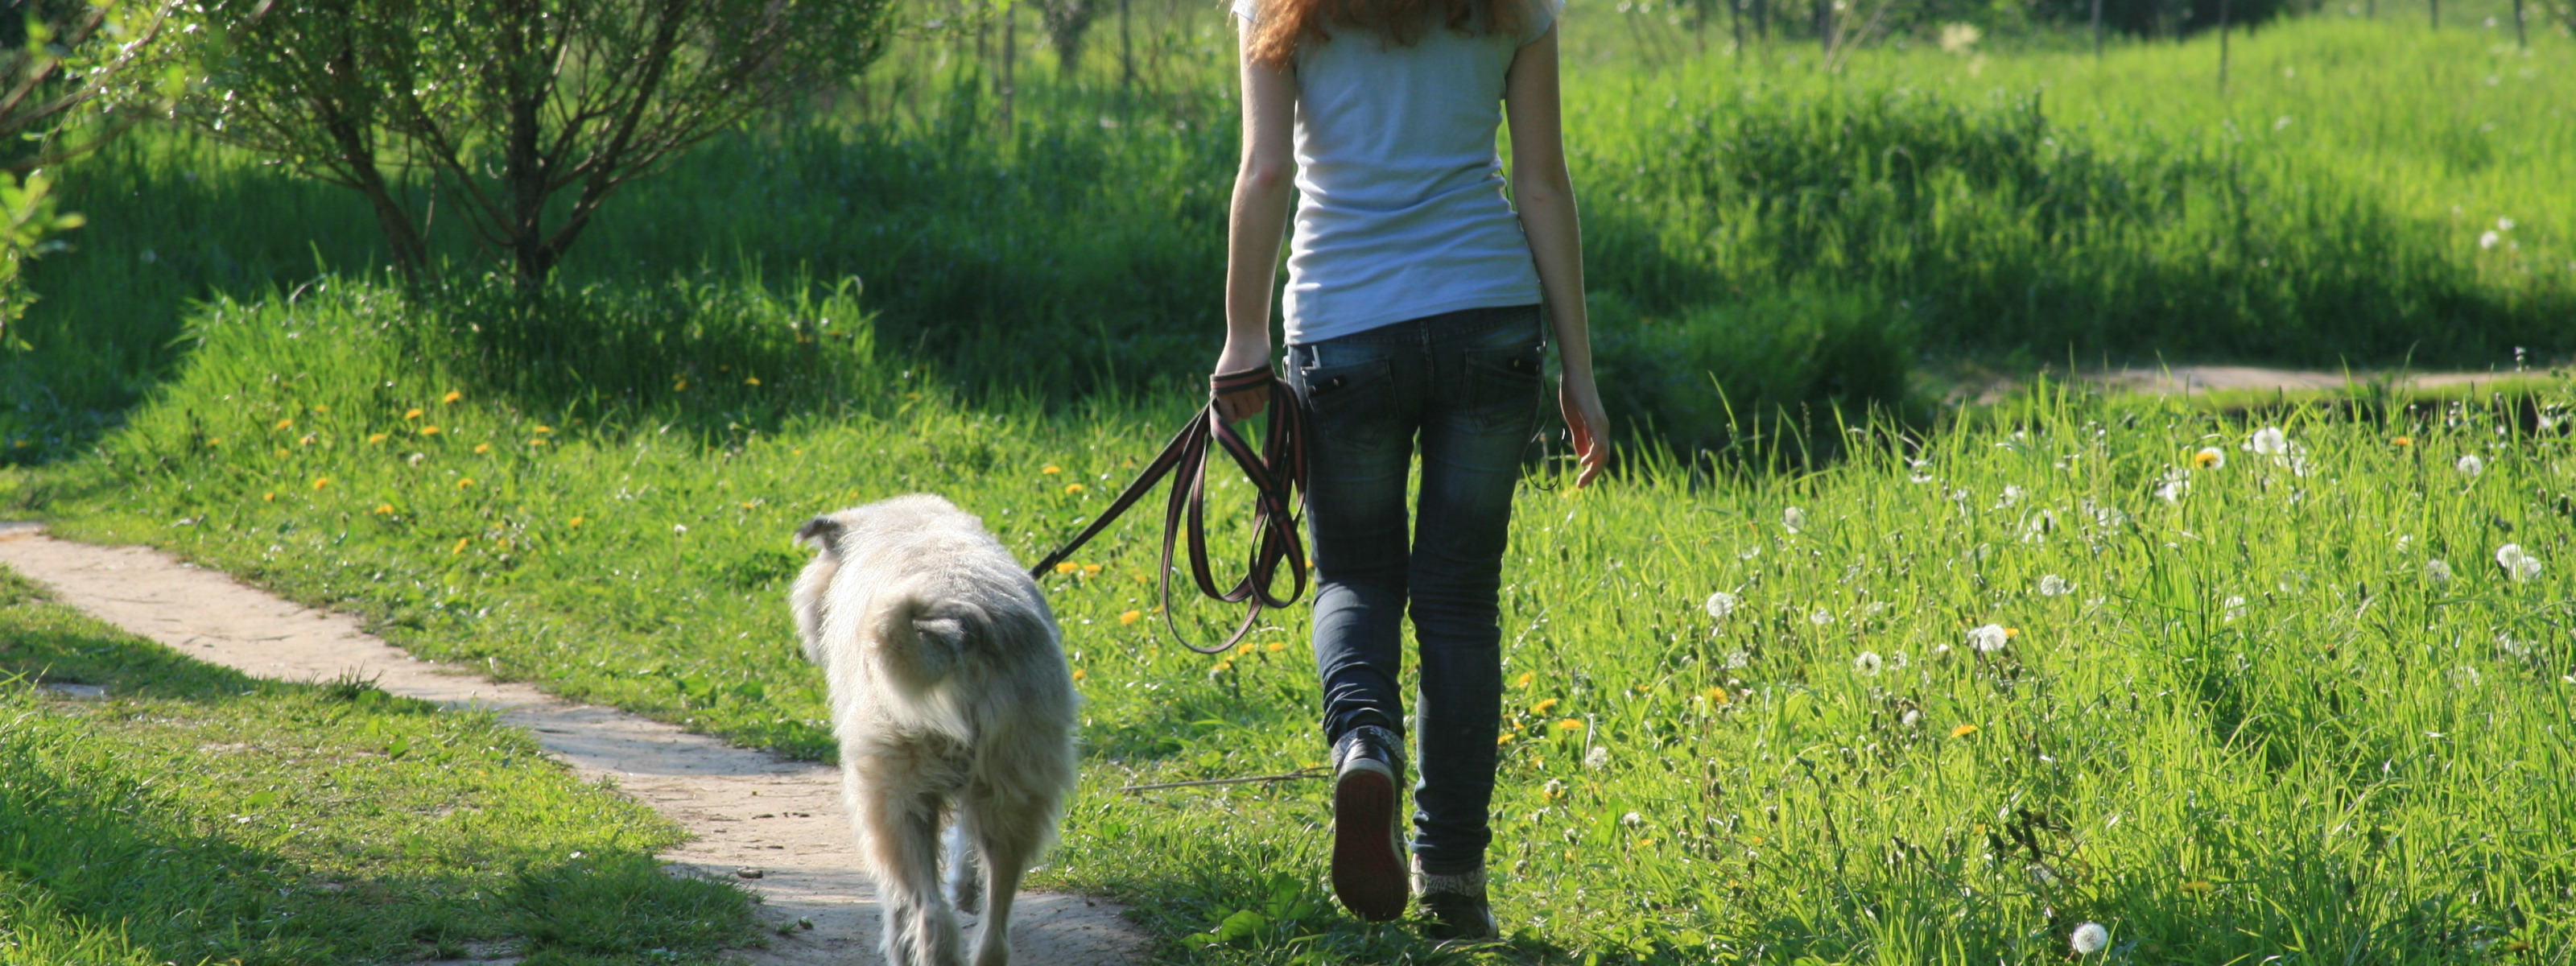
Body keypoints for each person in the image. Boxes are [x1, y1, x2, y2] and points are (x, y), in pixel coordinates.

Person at [1207, 0, 1610, 939]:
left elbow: (1266, 172)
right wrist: (1580, 374)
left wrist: (1242, 338)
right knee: (1460, 600)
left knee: (1353, 575)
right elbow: (1542, 184)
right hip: (1489, 316)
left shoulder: (1277, 7)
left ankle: (1363, 745)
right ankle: (1455, 884)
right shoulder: (1515, 6)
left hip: (1343, 325)